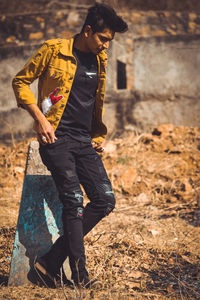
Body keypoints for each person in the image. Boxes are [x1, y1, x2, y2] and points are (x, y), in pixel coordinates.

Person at [12, 2, 128, 289]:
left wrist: (96, 137)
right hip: (56, 139)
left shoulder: (100, 60)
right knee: (74, 201)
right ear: (88, 30)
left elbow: (93, 101)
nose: (105, 46)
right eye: (103, 39)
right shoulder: (54, 50)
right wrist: (40, 119)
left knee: (105, 200)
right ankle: (80, 277)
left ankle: (49, 264)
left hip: (84, 142)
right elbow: (20, 82)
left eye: (109, 41)